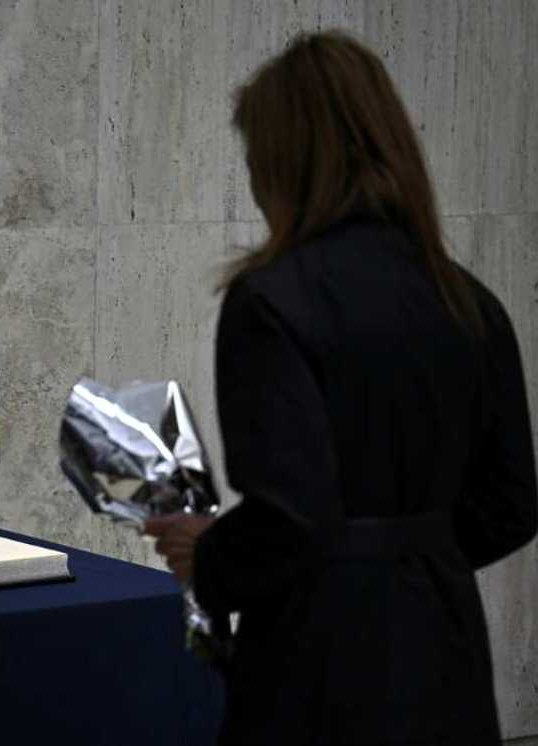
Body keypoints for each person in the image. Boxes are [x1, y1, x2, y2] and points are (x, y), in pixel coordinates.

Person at [143, 31, 537, 746]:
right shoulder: (470, 300)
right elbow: (511, 506)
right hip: (445, 653)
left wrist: (211, 556)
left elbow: (293, 516)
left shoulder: (271, 301)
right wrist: (412, 558)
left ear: (284, 163)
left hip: (318, 664)